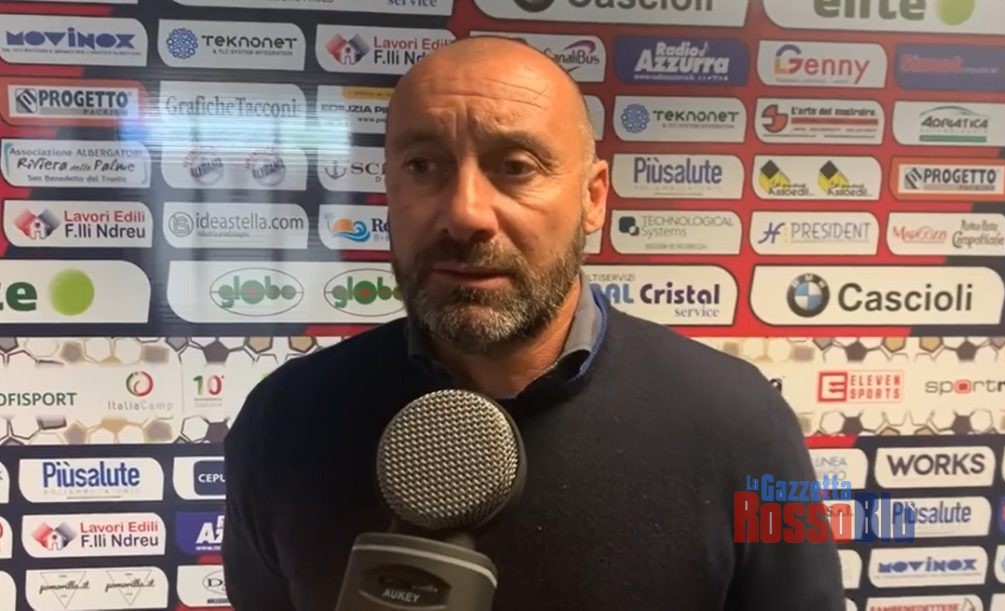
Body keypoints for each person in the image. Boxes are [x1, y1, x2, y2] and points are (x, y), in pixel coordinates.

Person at [222, 36, 845, 610]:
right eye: (423, 166)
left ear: (593, 198)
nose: (465, 213)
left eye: (516, 166)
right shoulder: (284, 422)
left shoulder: (743, 424)